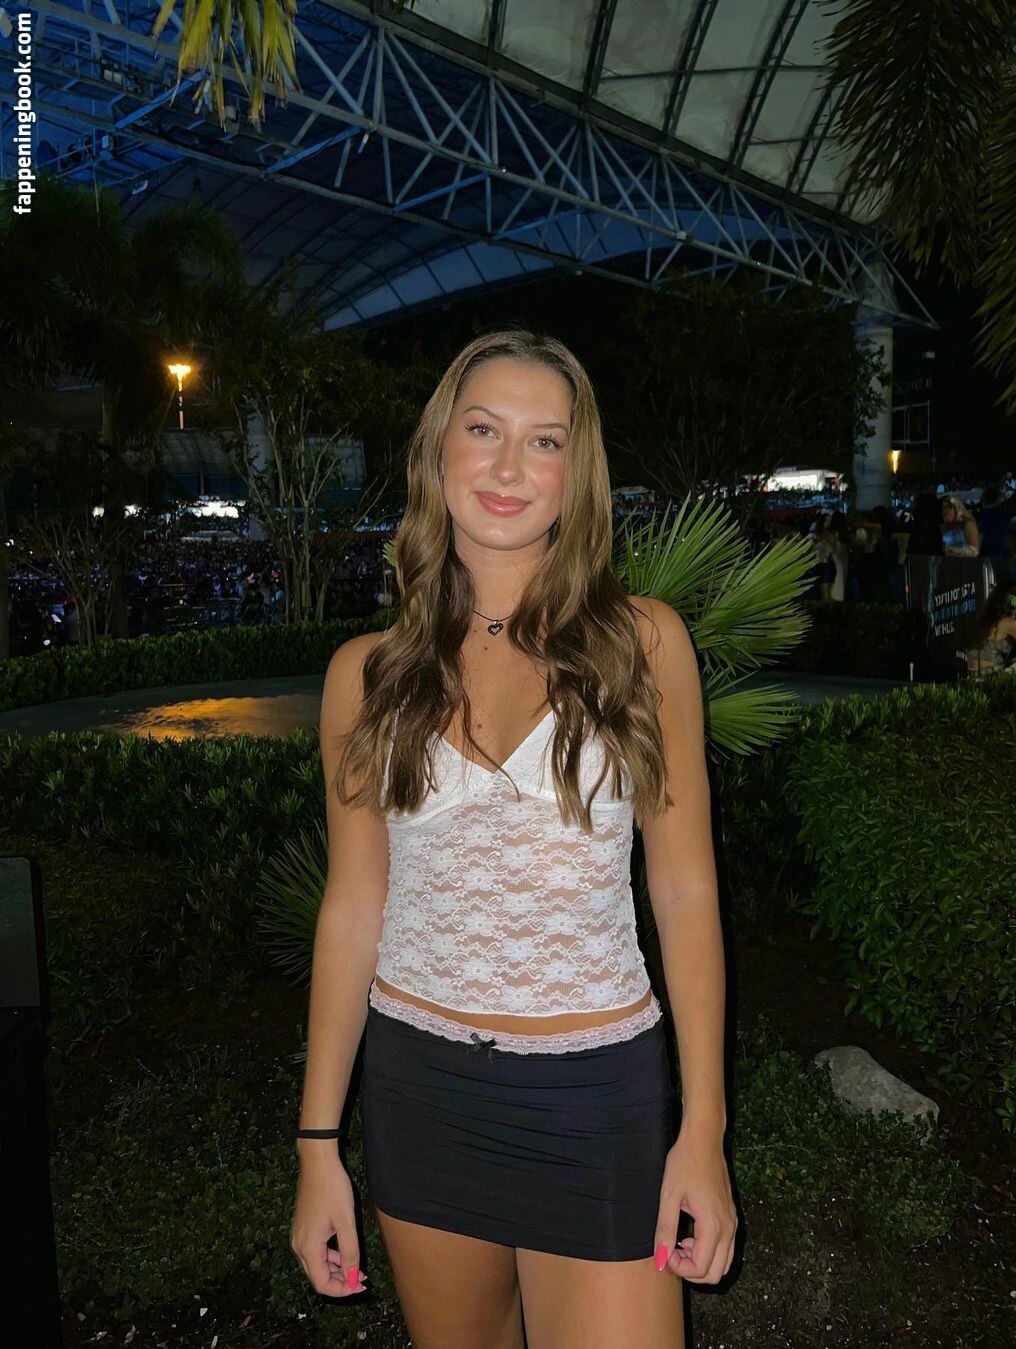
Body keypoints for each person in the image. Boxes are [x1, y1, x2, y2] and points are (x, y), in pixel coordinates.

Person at [291, 329, 735, 1346]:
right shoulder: (366, 674)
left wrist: (703, 1130)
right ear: (438, 450)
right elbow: (354, 908)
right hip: (420, 1089)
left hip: (596, 1095)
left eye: (544, 441)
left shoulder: (643, 645)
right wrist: (318, 1143)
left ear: (576, 475)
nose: (507, 467)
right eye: (484, 429)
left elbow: (685, 892)